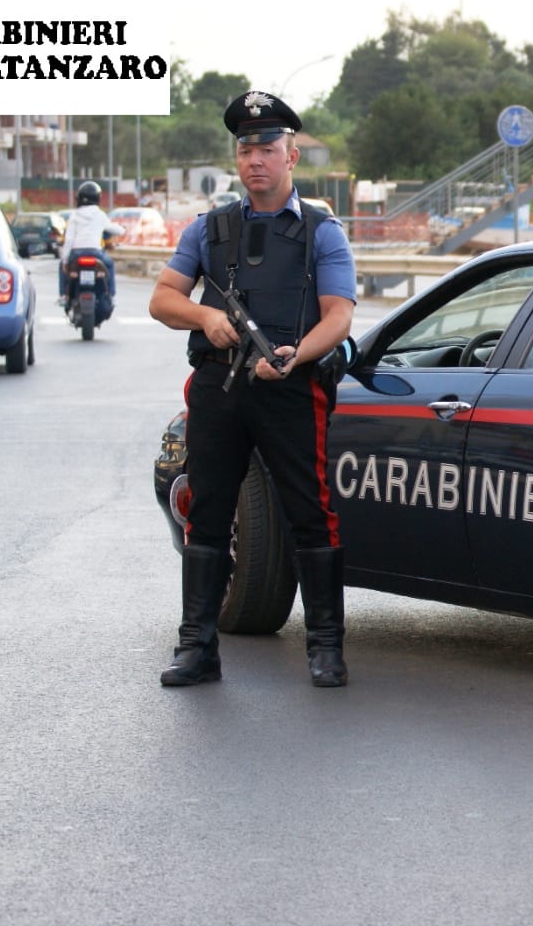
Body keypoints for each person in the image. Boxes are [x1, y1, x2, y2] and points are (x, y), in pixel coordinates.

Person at [149, 90, 357, 689]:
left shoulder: (321, 232)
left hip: (290, 384)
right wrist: (205, 319)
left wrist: (298, 355)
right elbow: (163, 298)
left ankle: (325, 647)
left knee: (310, 512)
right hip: (220, 384)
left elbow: (338, 315)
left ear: (292, 156)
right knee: (208, 509)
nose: (255, 159)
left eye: (267, 148)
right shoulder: (209, 229)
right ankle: (197, 648)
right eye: (245, 149)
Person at [58, 180, 121, 303]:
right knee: (109, 265)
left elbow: (69, 240)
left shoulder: (74, 215)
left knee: (62, 267)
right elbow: (114, 229)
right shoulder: (100, 215)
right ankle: (111, 295)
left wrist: (65, 261)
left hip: (76, 253)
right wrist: (122, 229)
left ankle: (64, 296)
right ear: (98, 197)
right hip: (96, 252)